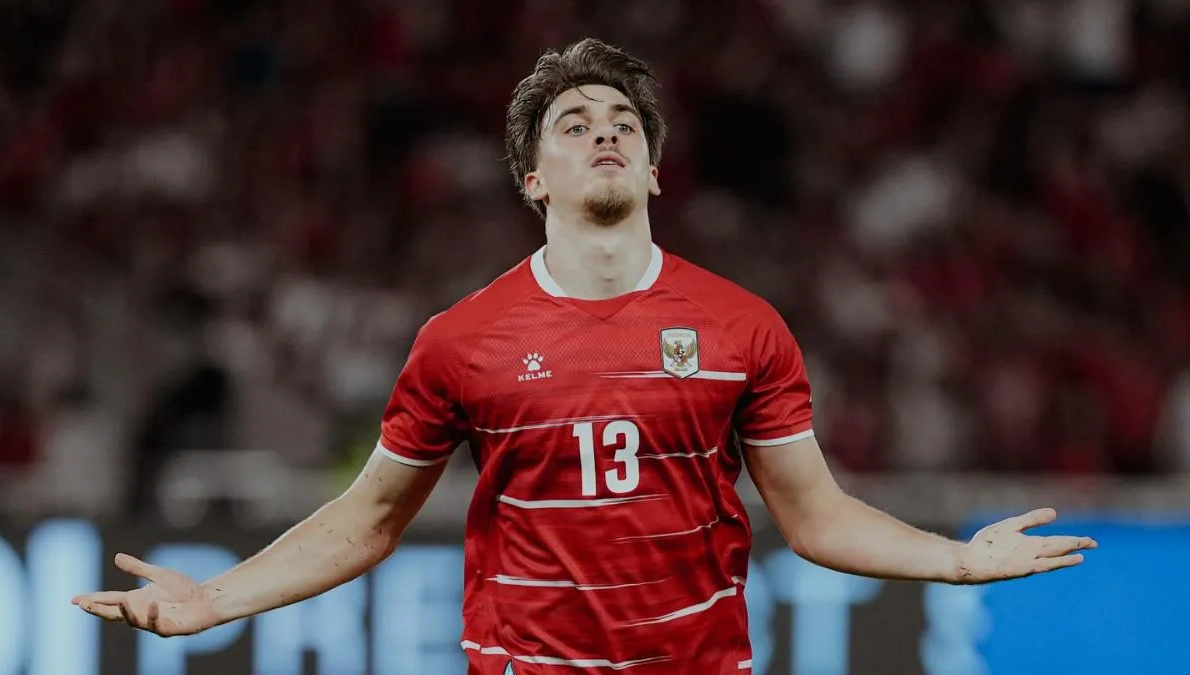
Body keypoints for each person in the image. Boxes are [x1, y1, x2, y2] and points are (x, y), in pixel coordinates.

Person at [73, 38, 1097, 673]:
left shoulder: (744, 327)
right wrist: (216, 598)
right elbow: (366, 521)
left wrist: (955, 558)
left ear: (652, 170)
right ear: (532, 178)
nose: (604, 134)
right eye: (573, 124)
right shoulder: (460, 341)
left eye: (623, 125)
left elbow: (815, 516)